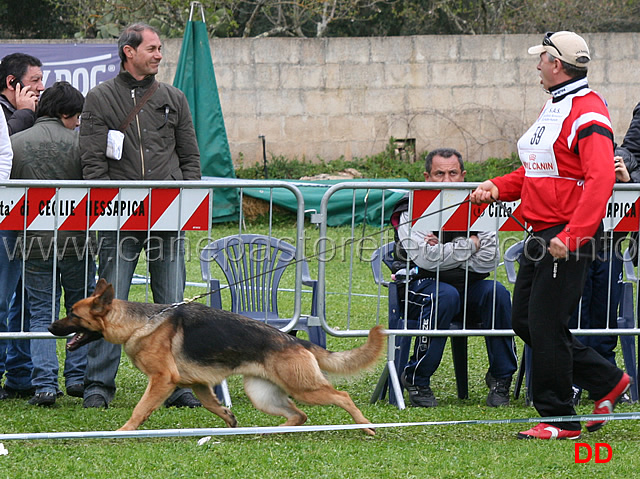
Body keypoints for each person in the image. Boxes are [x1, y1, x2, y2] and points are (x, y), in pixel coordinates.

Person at [471, 31, 629, 440]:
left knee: (543, 324)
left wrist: (574, 236)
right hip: (542, 234)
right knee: (525, 320)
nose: (537, 65)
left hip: (565, 237)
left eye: (541, 58)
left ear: (556, 64)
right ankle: (607, 379)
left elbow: (598, 181)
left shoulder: (589, 112)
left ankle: (560, 418)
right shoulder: (556, 106)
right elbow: (537, 171)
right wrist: (497, 186)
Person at [80, 23, 202, 409]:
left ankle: (179, 384)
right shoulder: (99, 98)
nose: (160, 54)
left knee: (172, 301)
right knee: (108, 303)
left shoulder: (174, 97)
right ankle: (98, 385)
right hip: (119, 217)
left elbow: (190, 157)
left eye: (160, 48)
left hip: (168, 214)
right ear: (128, 52)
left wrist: (186, 198)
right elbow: (93, 160)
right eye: (152, 48)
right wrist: (108, 206)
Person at [391, 148, 518, 408]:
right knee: (444, 295)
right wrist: (471, 244)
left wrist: (444, 250)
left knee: (497, 293)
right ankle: (417, 378)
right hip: (418, 287)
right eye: (439, 174)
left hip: (468, 286)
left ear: (464, 176)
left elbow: (490, 258)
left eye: (453, 173)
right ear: (427, 177)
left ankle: (501, 379)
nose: (447, 181)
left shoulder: (481, 203)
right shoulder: (411, 206)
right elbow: (425, 259)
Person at [10, 81, 97, 406]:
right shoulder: (79, 145)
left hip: (32, 242)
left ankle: (44, 384)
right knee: (83, 312)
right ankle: (77, 377)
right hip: (78, 241)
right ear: (64, 113)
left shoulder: (16, 142)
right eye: (76, 116)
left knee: (40, 312)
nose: (77, 123)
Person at [0, 52, 44, 400]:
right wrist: (24, 116)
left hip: (23, 220)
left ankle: (19, 372)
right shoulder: (11, 114)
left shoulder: (26, 112)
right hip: (6, 220)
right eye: (34, 82)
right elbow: (6, 152)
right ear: (11, 83)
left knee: (24, 301)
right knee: (2, 299)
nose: (40, 89)